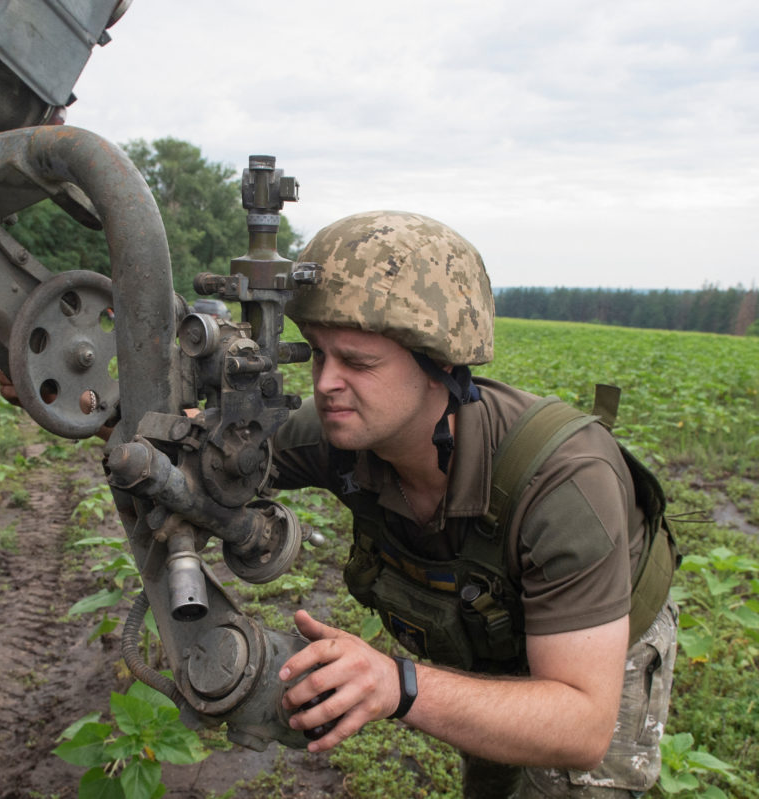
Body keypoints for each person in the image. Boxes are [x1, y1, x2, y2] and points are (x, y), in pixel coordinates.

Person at [270, 210, 677, 798]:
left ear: (439, 365)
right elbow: (203, 451)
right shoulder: (338, 430)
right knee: (491, 779)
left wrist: (398, 684)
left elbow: (583, 723)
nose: (327, 382)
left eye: (358, 362)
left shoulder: (564, 484)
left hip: (597, 651)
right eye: (317, 354)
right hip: (491, 630)